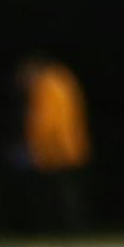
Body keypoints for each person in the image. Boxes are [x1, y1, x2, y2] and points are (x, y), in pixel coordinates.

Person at [18, 57, 90, 232]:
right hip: (69, 146)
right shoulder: (62, 79)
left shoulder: (48, 86)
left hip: (57, 150)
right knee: (68, 192)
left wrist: (38, 149)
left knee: (60, 194)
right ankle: (72, 229)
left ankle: (67, 229)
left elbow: (46, 121)